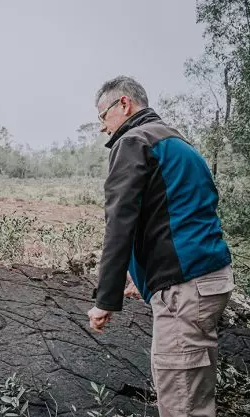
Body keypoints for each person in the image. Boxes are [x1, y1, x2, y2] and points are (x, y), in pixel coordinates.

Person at [87, 76, 234, 417]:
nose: (103, 127)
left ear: (124, 104)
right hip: (209, 280)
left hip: (184, 288)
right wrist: (142, 275)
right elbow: (173, 214)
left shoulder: (134, 141)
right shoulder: (175, 141)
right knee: (195, 396)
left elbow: (119, 224)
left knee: (182, 406)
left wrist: (104, 300)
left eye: (102, 116)